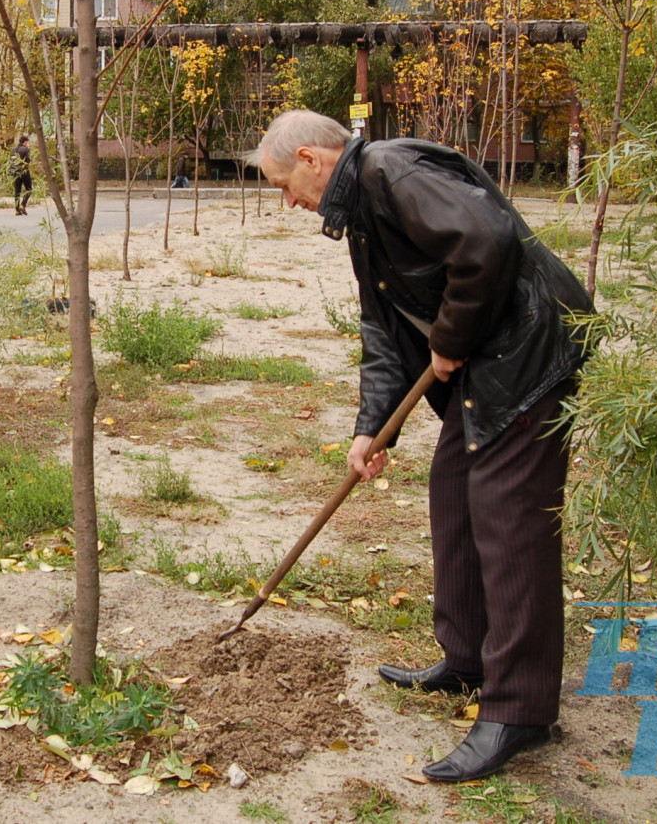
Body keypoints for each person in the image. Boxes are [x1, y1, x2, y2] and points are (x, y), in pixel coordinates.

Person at [252, 108, 594, 783]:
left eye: (284, 183)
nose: (287, 200)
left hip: (526, 360)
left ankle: (520, 707)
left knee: (511, 525)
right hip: (485, 367)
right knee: (453, 495)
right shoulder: (364, 217)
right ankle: (467, 657)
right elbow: (382, 328)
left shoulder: (391, 170)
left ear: (314, 160)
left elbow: (486, 241)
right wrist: (369, 429)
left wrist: (449, 340)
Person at [9, 135, 33, 215]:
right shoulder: (26, 149)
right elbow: (28, 160)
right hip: (24, 171)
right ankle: (23, 205)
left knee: (17, 191)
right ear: (25, 142)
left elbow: (11, 161)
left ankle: (17, 210)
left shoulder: (13, 150)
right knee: (29, 189)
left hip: (15, 172)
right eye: (27, 142)